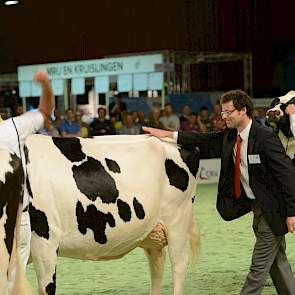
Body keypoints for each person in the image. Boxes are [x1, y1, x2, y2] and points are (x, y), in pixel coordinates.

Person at [143, 89, 295, 294]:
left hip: (274, 210)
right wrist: (168, 135)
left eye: (228, 112)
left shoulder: (265, 137)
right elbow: (201, 139)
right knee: (277, 262)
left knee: (258, 268)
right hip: (257, 208)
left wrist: (292, 212)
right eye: (222, 112)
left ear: (242, 111)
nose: (223, 117)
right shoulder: (231, 136)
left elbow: (287, 175)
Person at [0, 70, 54, 290]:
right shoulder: (11, 129)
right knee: (11, 281)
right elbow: (45, 111)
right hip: (15, 221)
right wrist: (45, 85)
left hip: (15, 220)